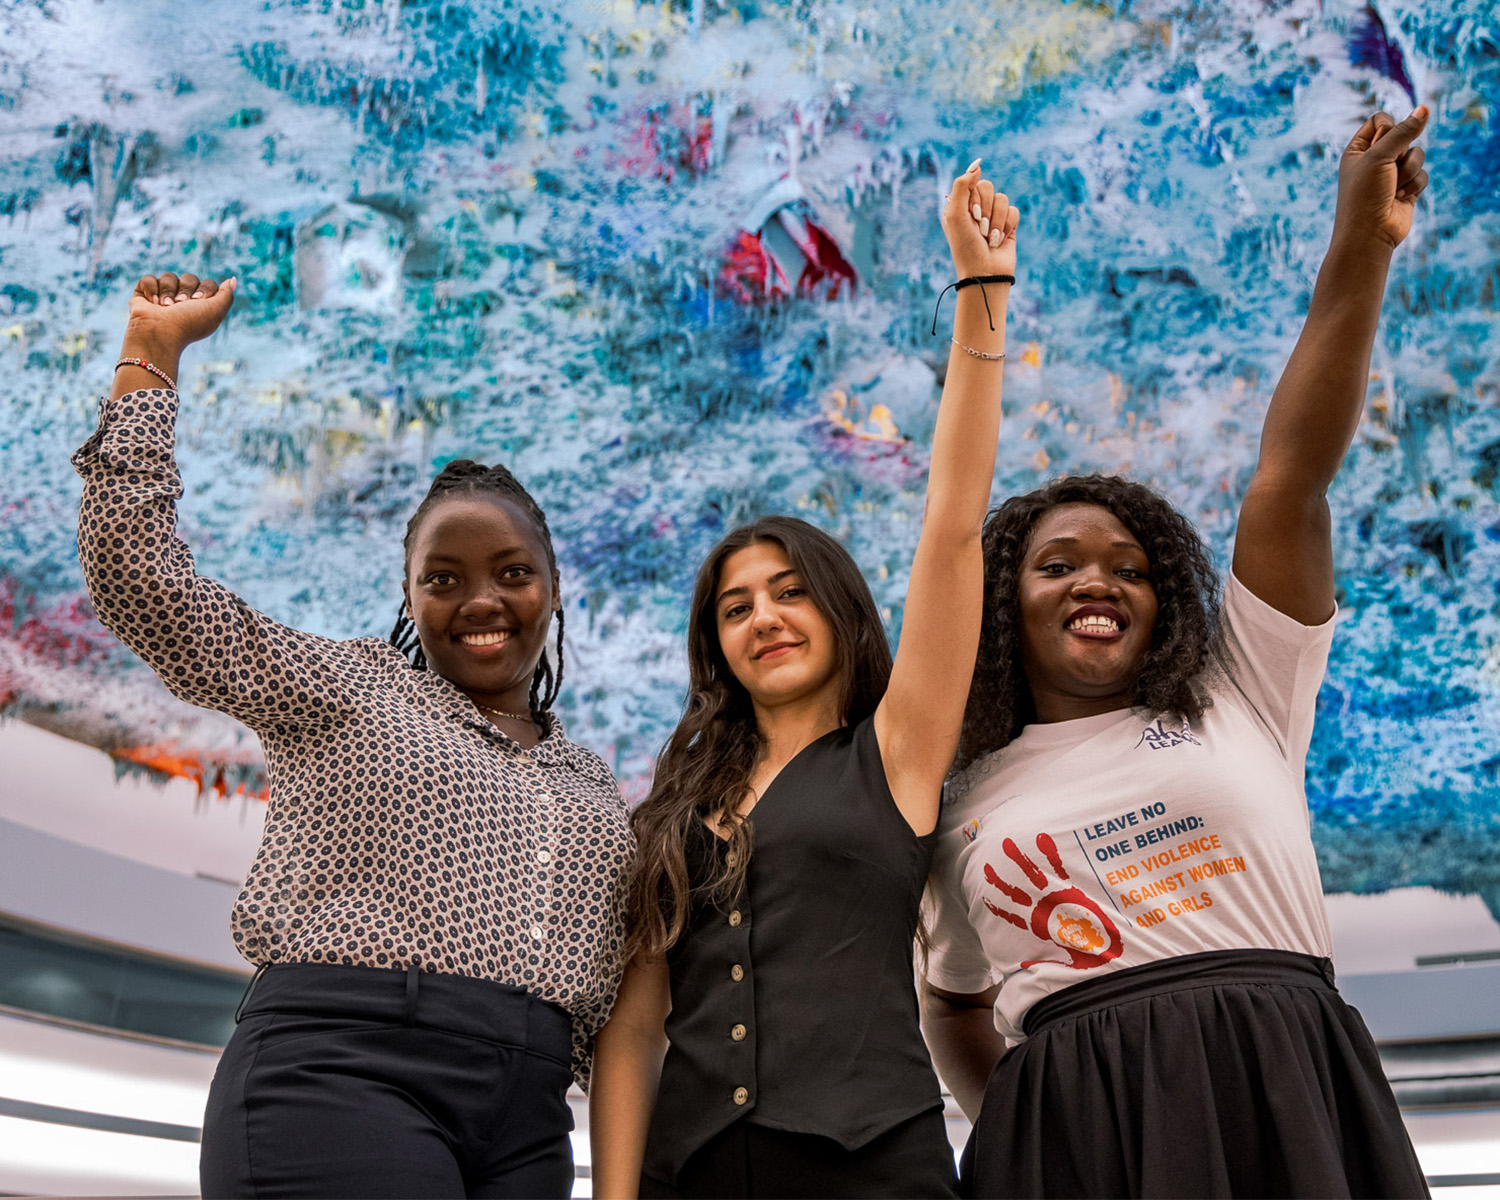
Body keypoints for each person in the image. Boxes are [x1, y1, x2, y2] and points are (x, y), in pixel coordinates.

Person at [922, 108, 1434, 1198]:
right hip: (1078, 1129)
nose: (1098, 581)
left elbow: (1291, 473)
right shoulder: (955, 793)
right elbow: (952, 1001)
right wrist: (1025, 1123)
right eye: (1057, 565)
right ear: (1003, 605)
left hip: (1282, 1083)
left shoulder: (1241, 690)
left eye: (1132, 567)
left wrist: (1362, 242)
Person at [73, 274, 634, 1199]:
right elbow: (143, 583)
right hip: (341, 1071)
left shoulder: (592, 784)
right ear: (409, 599)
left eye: (512, 572)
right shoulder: (344, 686)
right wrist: (151, 355)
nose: (481, 599)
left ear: (553, 588)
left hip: (531, 1123)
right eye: (443, 579)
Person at [587, 162, 1020, 1198]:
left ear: (840, 610)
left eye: (789, 593)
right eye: (735, 608)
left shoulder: (896, 752)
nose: (764, 618)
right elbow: (635, 1027)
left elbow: (952, 528)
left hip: (877, 1172)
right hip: (695, 1176)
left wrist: (982, 294)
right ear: (716, 646)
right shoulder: (670, 811)